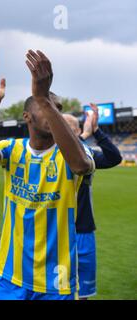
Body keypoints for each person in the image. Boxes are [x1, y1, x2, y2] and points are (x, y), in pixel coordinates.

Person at [0, 51, 95, 300]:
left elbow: (80, 165)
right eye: (44, 105)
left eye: (57, 108)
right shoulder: (12, 150)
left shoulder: (73, 153)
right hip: (9, 276)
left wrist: (42, 99)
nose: (53, 112)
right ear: (27, 117)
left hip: (57, 281)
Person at [63, 105, 122, 299]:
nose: (64, 133)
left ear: (78, 131)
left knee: (83, 293)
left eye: (69, 129)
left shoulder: (87, 154)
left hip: (83, 231)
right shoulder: (50, 155)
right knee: (57, 291)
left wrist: (95, 131)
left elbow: (114, 158)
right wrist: (84, 135)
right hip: (57, 232)